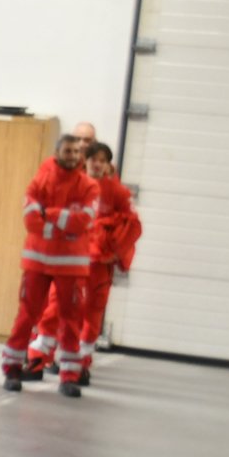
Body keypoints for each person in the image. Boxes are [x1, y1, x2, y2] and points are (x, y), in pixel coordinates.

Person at [28, 142, 140, 384]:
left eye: (102, 160)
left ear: (108, 165)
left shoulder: (117, 191)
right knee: (56, 307)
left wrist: (116, 250)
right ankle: (38, 357)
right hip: (69, 260)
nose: (97, 164)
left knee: (92, 311)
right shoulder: (71, 185)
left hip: (99, 264)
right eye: (93, 159)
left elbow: (132, 225)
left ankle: (81, 362)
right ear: (83, 161)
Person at [1, 134, 98, 396]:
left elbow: (84, 222)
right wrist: (65, 224)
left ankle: (69, 376)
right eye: (68, 151)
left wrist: (50, 215)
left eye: (76, 151)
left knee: (71, 321)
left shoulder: (89, 186)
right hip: (38, 261)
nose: (73, 156)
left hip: (71, 265)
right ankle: (12, 368)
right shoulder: (39, 181)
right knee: (26, 317)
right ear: (57, 153)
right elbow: (31, 221)